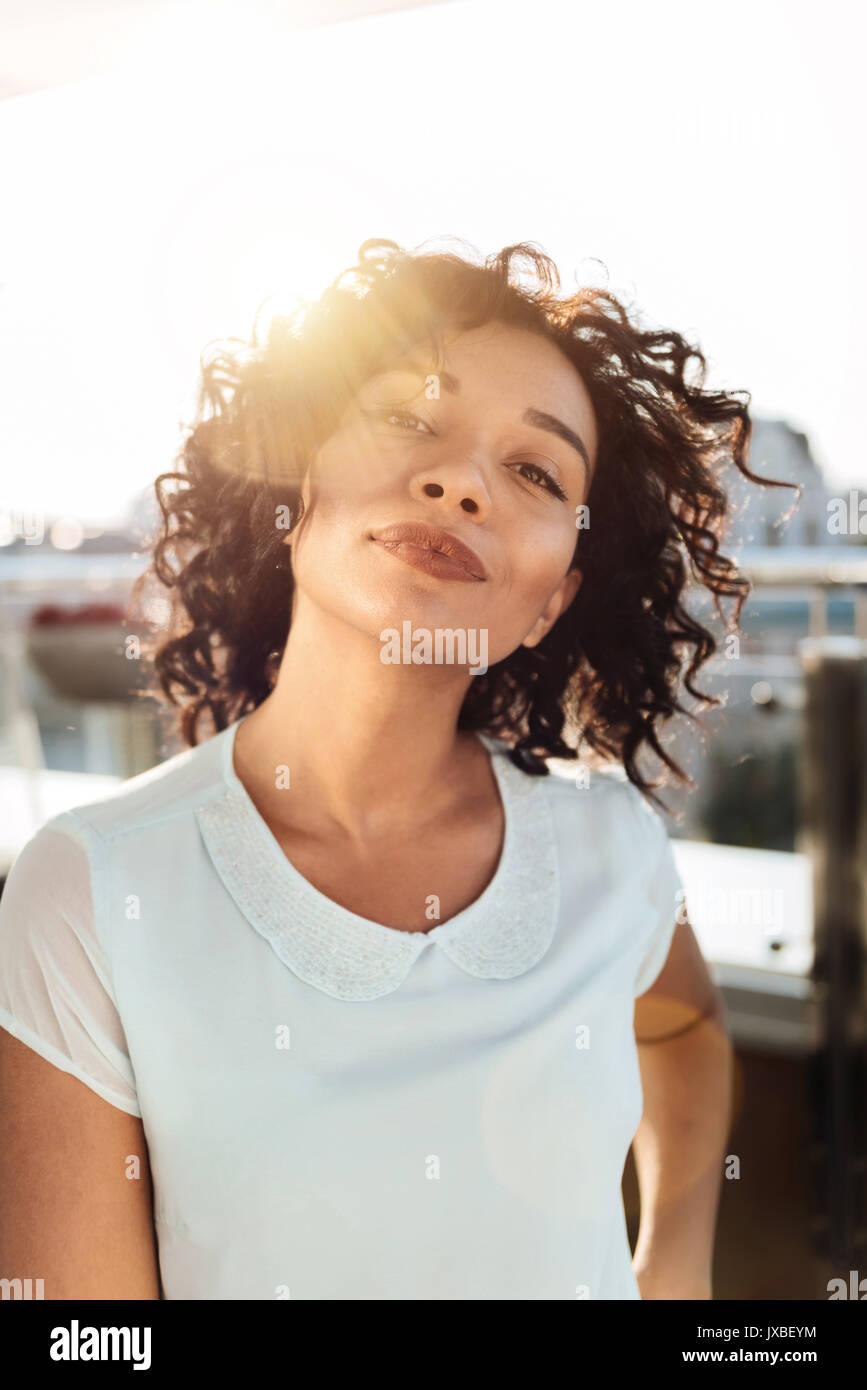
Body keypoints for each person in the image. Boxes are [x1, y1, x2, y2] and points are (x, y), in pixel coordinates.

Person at [0, 238, 793, 1300]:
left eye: (534, 470)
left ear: (551, 596)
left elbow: (689, 1039)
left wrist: (676, 1268)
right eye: (412, 419)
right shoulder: (93, 892)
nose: (462, 481)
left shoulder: (615, 848)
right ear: (301, 488)